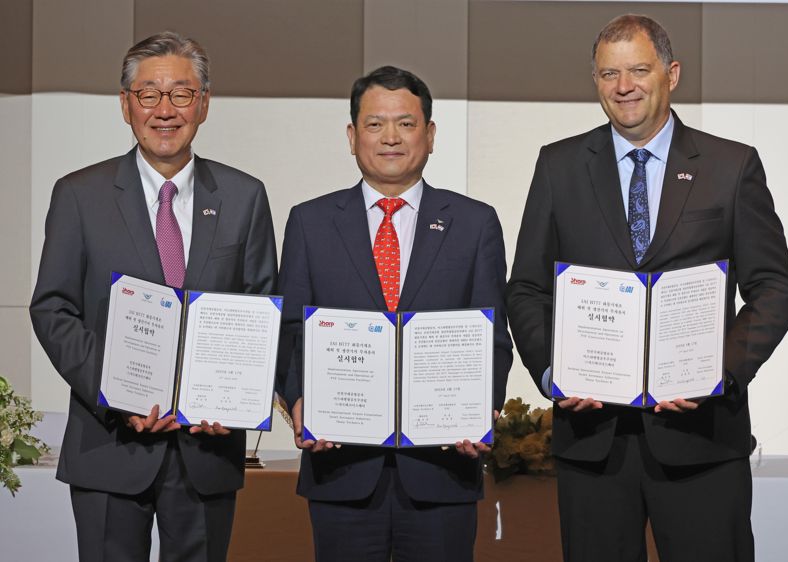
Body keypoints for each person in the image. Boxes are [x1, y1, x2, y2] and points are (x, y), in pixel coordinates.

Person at [506, 14, 788, 562]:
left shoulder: (730, 166)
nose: (624, 87)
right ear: (595, 81)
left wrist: (721, 370)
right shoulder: (559, 166)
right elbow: (526, 288)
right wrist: (553, 370)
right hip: (593, 441)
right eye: (608, 74)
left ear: (673, 74)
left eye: (639, 70)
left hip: (703, 439)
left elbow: (776, 287)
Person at [29, 31, 277, 562]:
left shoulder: (244, 197)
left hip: (207, 450)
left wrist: (231, 399)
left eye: (181, 94)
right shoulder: (79, 195)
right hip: (109, 446)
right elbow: (53, 308)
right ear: (125, 105)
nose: (165, 110)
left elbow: (261, 312)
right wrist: (115, 391)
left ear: (204, 104)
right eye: (148, 94)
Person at [276, 65, 513, 561]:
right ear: (351, 135)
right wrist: (298, 401)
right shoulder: (310, 222)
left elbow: (490, 337)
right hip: (339, 469)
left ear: (429, 135)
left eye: (406, 124)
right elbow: (290, 330)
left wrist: (479, 411)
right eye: (374, 124)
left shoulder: (474, 223)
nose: (390, 138)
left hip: (443, 470)